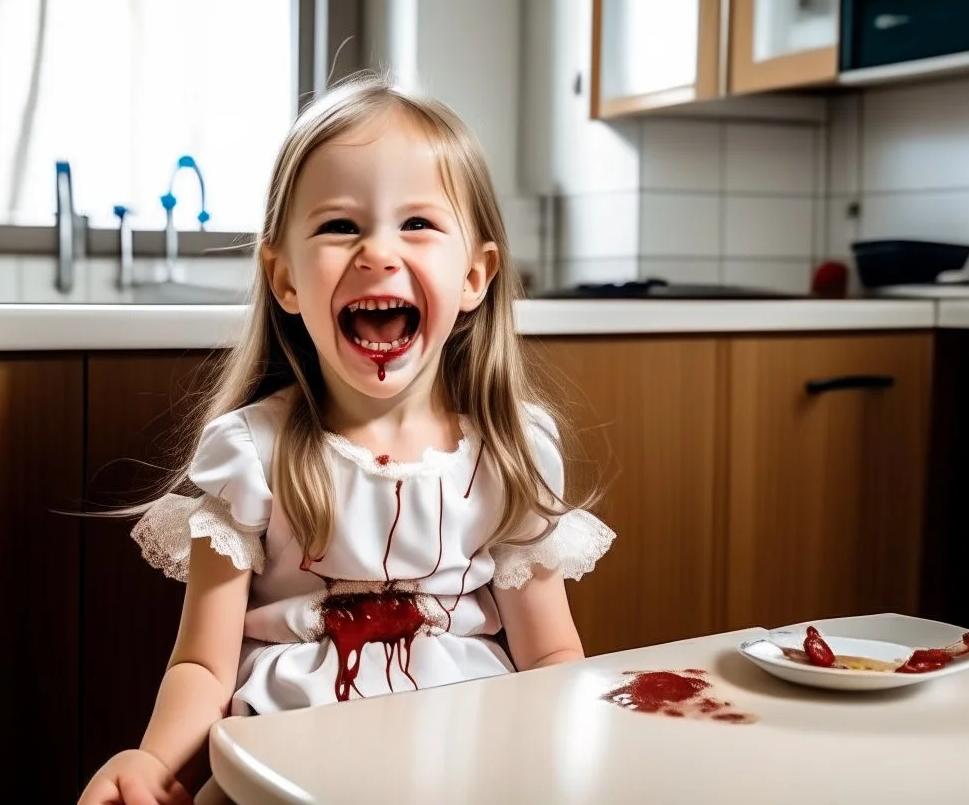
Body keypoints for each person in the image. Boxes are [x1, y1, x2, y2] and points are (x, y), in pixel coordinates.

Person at [78, 71, 616, 805]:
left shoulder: (508, 455)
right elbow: (203, 666)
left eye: (418, 224)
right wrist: (152, 761)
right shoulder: (250, 458)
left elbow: (551, 652)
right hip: (285, 769)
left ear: (475, 276)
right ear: (285, 279)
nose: (378, 253)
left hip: (470, 766)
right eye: (339, 226)